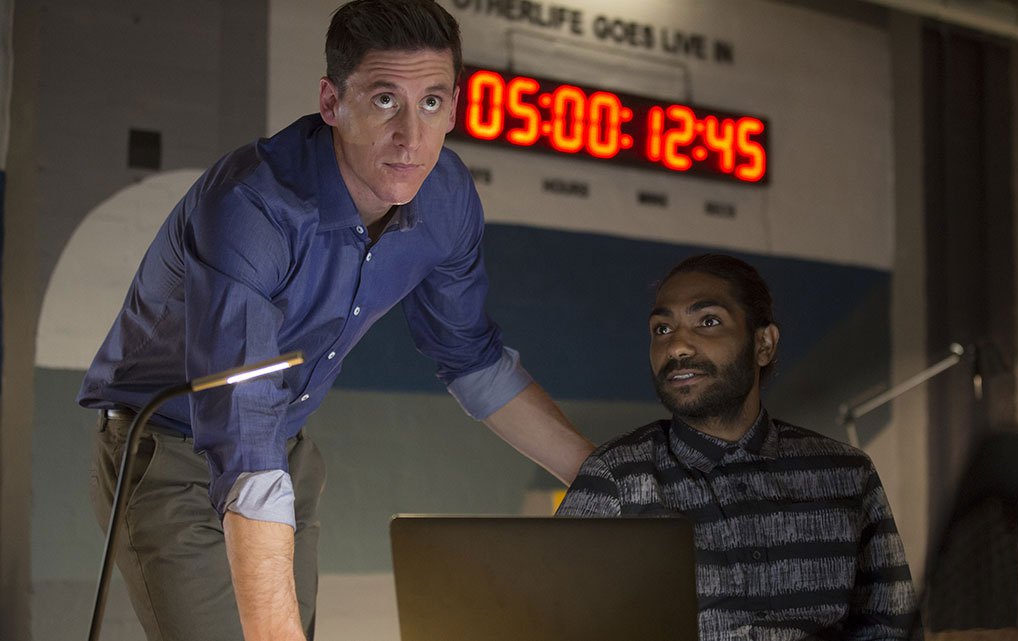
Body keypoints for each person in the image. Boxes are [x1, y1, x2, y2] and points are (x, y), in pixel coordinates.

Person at [79, 2, 593, 640]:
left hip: (284, 448)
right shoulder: (252, 204)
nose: (411, 137)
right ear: (331, 102)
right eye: (385, 100)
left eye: (432, 102)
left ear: (455, 108)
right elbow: (240, 423)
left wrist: (609, 481)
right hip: (166, 451)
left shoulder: (447, 198)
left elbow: (472, 359)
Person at [557, 254, 918, 640]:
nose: (676, 347)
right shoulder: (616, 476)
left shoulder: (847, 473)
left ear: (763, 343)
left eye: (708, 321)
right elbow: (549, 618)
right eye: (662, 329)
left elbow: (891, 628)